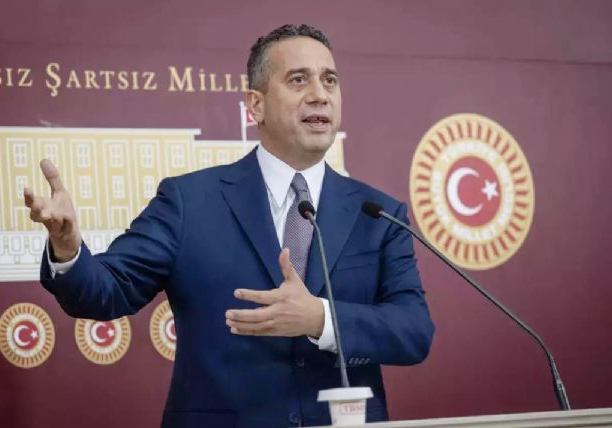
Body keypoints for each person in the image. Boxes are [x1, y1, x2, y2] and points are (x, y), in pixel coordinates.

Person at [24, 24, 434, 428]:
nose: (319, 95)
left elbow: (414, 331)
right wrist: (67, 247)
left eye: (329, 80)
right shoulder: (190, 202)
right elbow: (105, 292)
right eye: (298, 80)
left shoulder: (378, 214)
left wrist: (320, 318)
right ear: (256, 105)